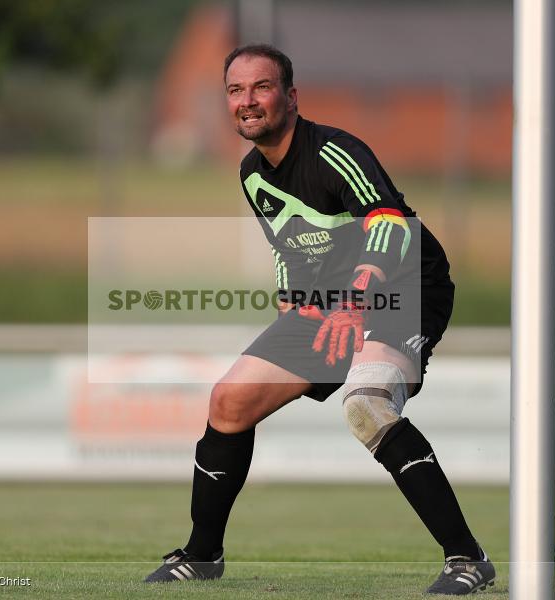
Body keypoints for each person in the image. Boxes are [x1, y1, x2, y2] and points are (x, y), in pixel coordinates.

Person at [144, 44, 495, 595]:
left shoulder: (336, 152)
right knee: (228, 402)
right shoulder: (252, 174)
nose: (247, 101)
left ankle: (466, 559)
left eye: (261, 87)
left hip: (404, 287)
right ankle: (202, 553)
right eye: (235, 91)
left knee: (367, 405)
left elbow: (392, 223)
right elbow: (289, 249)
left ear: (290, 96)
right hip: (330, 303)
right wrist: (291, 307)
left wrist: (356, 297)